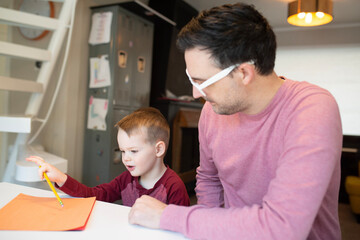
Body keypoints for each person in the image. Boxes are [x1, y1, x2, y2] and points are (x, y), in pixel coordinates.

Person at [128, 3, 342, 240]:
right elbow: (209, 179)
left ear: (244, 73)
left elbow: (283, 227)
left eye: (202, 81)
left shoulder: (312, 108)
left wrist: (168, 216)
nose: (196, 93)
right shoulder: (212, 111)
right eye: (192, 79)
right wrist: (204, 229)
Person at [26, 107, 190, 207]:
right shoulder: (126, 180)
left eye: (133, 151)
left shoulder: (174, 187)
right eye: (123, 151)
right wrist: (61, 178)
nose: (126, 158)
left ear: (158, 149)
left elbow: (180, 229)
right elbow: (94, 195)